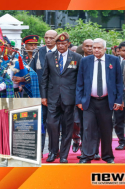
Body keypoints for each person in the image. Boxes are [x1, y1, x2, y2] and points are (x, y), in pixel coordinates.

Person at [76, 38, 123, 163]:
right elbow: (79, 82)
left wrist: (118, 100)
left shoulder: (113, 60)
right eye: (94, 47)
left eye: (99, 48)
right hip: (89, 101)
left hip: (107, 101)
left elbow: (119, 81)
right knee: (88, 129)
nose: (96, 50)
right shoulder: (85, 61)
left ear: (104, 49)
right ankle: (86, 156)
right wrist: (79, 100)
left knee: (106, 129)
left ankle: (108, 156)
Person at [41, 32, 82, 163]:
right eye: (58, 43)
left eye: (64, 43)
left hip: (69, 98)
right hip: (52, 97)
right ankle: (53, 152)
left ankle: (64, 155)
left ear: (68, 44)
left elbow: (80, 80)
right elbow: (45, 78)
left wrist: (78, 98)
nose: (61, 46)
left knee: (67, 127)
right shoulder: (49, 56)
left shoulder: (77, 57)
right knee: (52, 125)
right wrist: (43, 96)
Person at [114, 41, 125, 151]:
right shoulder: (114, 62)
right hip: (118, 96)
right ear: (118, 51)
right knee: (118, 120)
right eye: (124, 50)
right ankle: (121, 141)